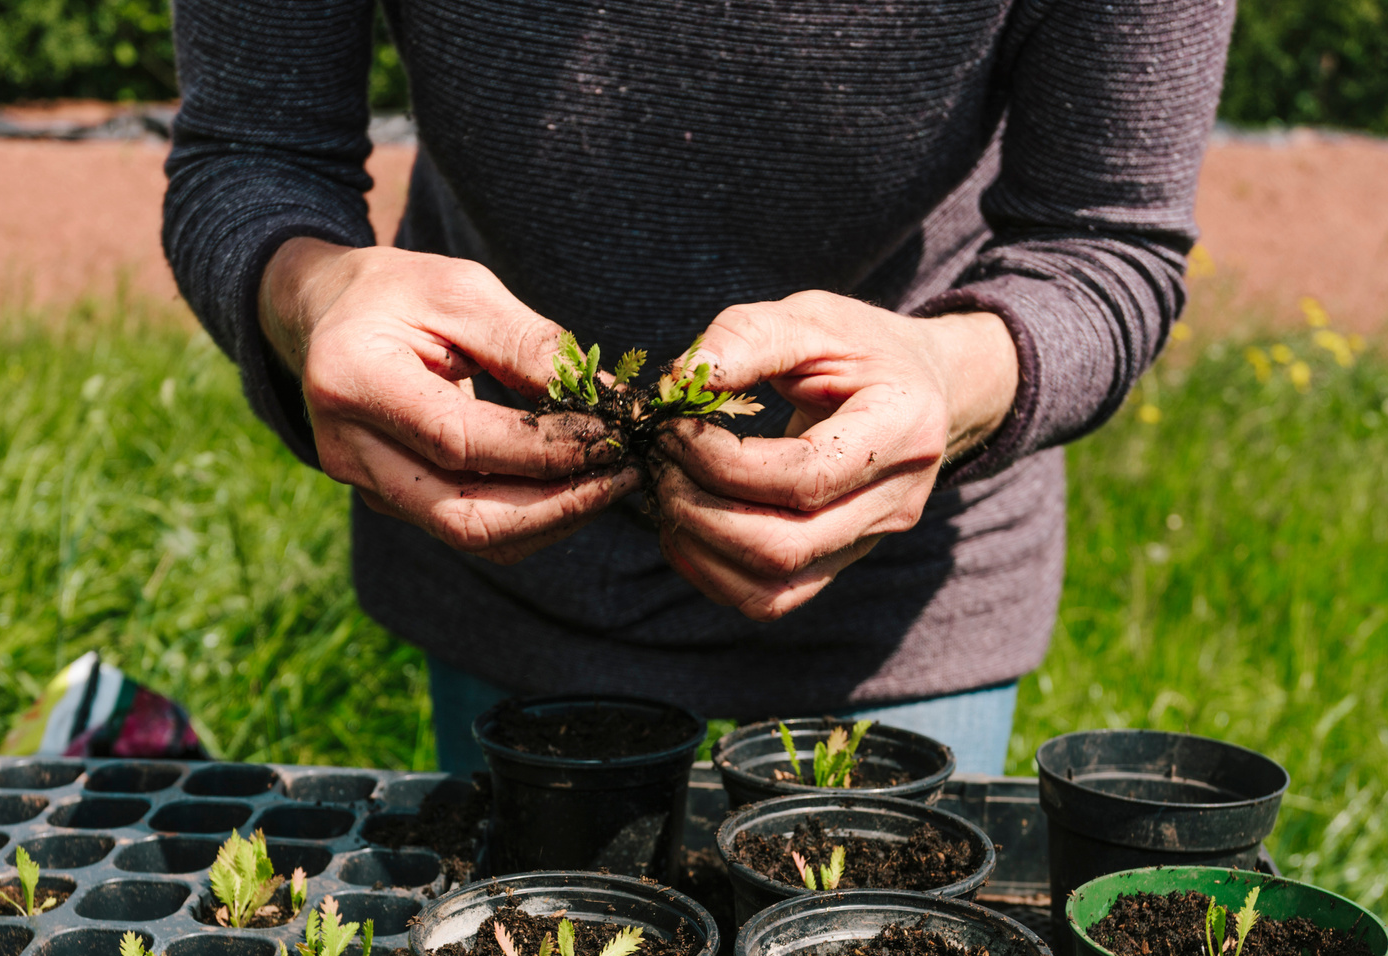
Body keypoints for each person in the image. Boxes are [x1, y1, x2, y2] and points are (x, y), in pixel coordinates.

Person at [162, 2, 1232, 777]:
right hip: (507, 572)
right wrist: (314, 295)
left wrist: (952, 377)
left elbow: (1103, 242)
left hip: (893, 594)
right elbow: (250, 152)